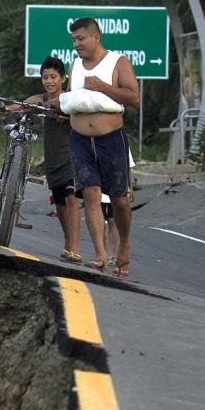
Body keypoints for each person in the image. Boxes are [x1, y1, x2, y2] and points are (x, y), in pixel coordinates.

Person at [0, 57, 87, 264]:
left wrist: (66, 117)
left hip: (73, 155)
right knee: (59, 201)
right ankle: (67, 240)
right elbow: (19, 107)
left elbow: (82, 117)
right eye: (45, 77)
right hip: (52, 158)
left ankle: (75, 247)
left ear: (63, 78)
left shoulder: (71, 98)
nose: (49, 81)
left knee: (71, 197)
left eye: (53, 77)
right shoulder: (39, 99)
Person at [59, 14, 139, 274]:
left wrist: (102, 86)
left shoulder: (118, 62)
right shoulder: (75, 65)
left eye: (81, 38)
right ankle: (100, 255)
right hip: (80, 140)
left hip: (111, 140)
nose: (77, 44)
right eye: (73, 40)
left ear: (96, 37)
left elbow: (134, 98)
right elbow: (72, 100)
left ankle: (124, 246)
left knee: (118, 200)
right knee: (91, 194)